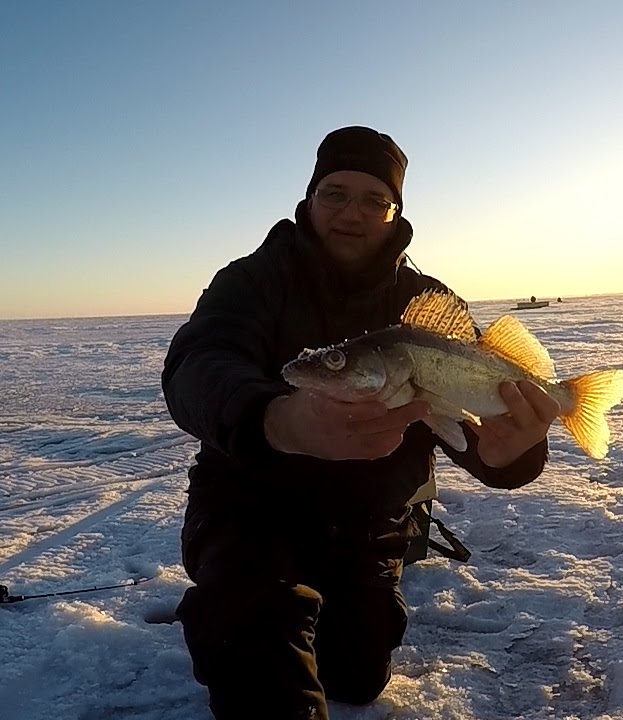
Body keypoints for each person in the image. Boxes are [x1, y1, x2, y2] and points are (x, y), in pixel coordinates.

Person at [162, 126, 558, 719]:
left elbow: (470, 422)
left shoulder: (427, 302)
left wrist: (510, 455)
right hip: (248, 511)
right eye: (335, 193)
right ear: (310, 198)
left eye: (376, 199)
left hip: (365, 526)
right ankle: (241, 609)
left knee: (357, 677)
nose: (353, 212)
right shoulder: (252, 281)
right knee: (257, 647)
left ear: (396, 212)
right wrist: (276, 419)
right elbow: (198, 364)